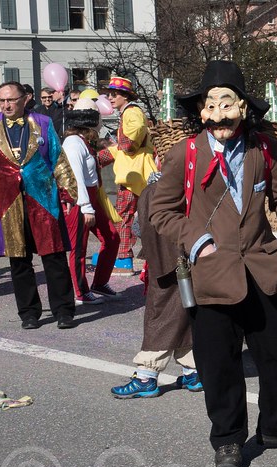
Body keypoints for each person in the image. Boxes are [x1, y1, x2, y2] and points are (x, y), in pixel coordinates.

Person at [150, 60, 277, 467]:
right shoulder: (184, 155)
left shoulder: (261, 149)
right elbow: (162, 212)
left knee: (276, 353)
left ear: (243, 108)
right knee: (219, 363)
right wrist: (195, 238)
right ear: (201, 112)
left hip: (263, 269)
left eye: (227, 105)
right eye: (210, 107)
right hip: (212, 274)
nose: (219, 117)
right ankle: (228, 439)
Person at [0, 81, 79, 329]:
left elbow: (58, 159)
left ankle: (64, 310)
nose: (6, 105)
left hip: (43, 198)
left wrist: (68, 193)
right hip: (8, 202)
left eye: (11, 100)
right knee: (19, 260)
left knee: (54, 255)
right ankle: (29, 313)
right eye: (2, 101)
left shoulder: (43, 123)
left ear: (24, 99)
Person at [110, 174, 201, 399]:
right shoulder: (192, 182)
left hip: (167, 262)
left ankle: (146, 375)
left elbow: (139, 228)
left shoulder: (156, 188)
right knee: (184, 315)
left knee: (160, 317)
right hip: (193, 257)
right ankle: (193, 371)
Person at [60, 98, 121, 306]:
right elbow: (76, 177)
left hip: (91, 196)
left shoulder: (83, 142)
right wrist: (86, 207)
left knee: (112, 237)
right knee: (79, 247)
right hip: (79, 199)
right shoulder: (73, 143)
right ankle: (81, 291)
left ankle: (100, 283)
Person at [104, 76, 156, 276]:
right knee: (143, 216)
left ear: (125, 96)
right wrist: (103, 156)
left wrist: (126, 142)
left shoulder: (131, 112)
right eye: (109, 94)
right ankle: (150, 257)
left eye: (114, 94)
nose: (110, 98)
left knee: (123, 217)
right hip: (135, 173)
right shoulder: (129, 112)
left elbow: (130, 142)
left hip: (133, 175)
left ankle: (124, 259)